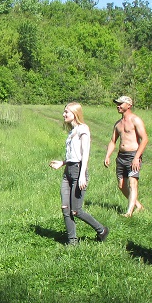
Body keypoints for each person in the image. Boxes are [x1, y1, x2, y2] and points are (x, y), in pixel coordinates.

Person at [49, 103, 109, 246]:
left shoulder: (83, 129)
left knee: (76, 210)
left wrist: (82, 175)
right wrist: (62, 163)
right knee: (65, 208)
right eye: (64, 112)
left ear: (75, 113)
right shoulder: (72, 131)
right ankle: (72, 241)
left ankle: (102, 230)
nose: (63, 115)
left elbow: (85, 153)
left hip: (78, 171)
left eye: (66, 112)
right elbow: (73, 155)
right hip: (68, 172)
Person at [104, 95, 149, 217]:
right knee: (121, 185)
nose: (118, 106)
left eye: (120, 104)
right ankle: (138, 205)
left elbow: (145, 139)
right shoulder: (118, 124)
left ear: (129, 105)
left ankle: (129, 212)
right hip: (121, 156)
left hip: (133, 155)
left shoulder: (135, 120)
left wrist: (136, 157)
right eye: (117, 104)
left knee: (132, 183)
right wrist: (107, 156)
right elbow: (113, 141)